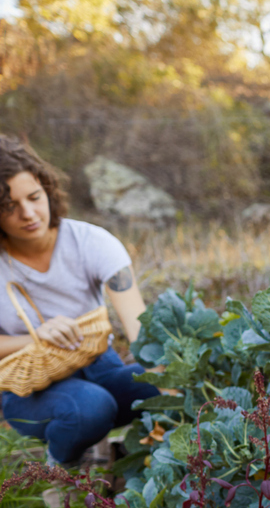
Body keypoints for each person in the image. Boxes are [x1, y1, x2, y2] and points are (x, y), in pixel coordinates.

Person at [0, 136, 159, 467]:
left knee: (164, 386)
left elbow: (139, 327)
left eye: (34, 197)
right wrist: (36, 336)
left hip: (100, 364)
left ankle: (139, 461)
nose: (28, 213)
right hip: (29, 386)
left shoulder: (91, 242)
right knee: (89, 408)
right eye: (9, 206)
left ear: (47, 190)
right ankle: (59, 469)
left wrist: (168, 376)